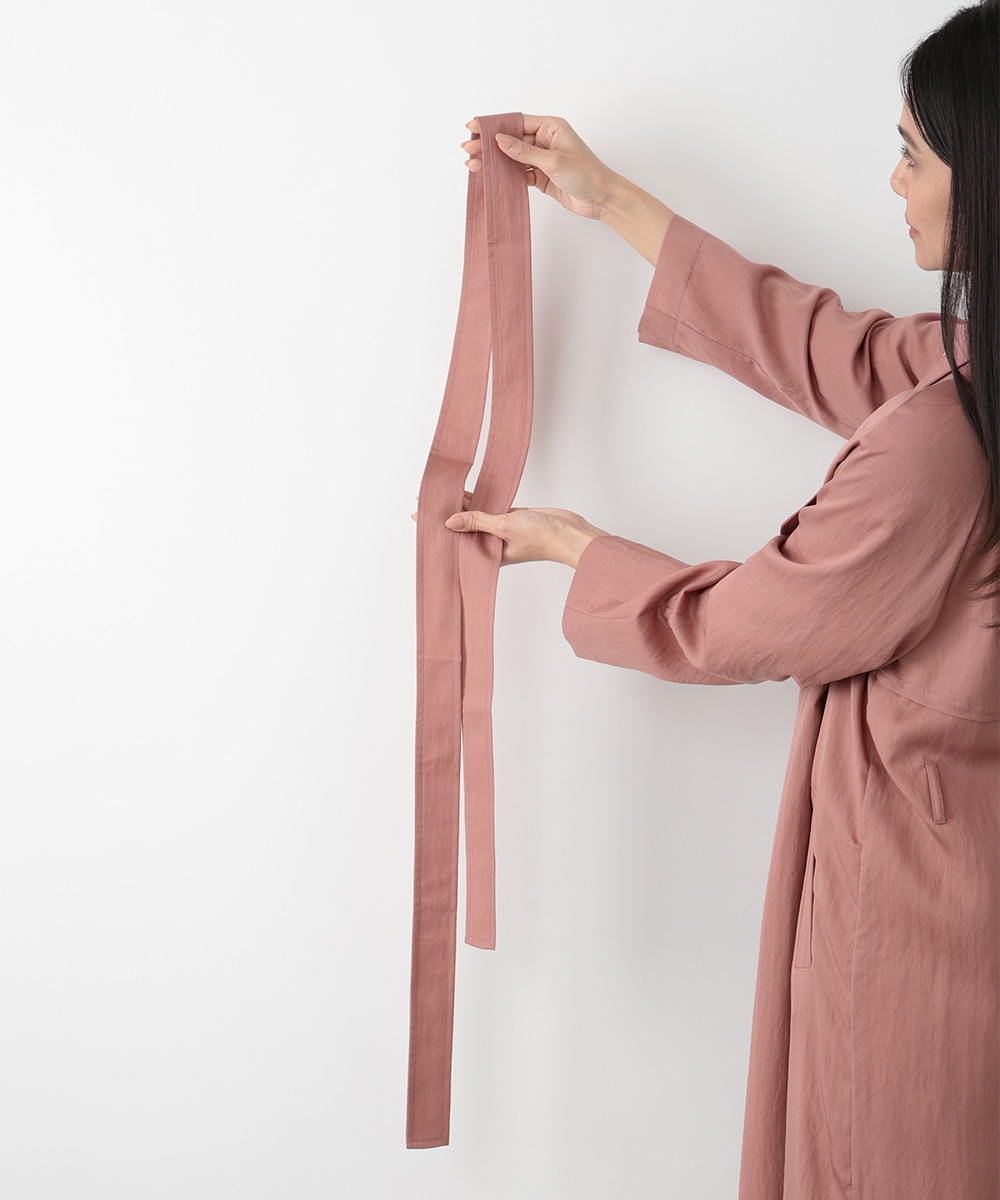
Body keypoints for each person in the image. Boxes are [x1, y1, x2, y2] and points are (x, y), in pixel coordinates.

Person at [442, 2, 999, 1196]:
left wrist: (579, 551)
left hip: (924, 933)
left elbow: (750, 622)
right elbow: (838, 351)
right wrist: (607, 198)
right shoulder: (975, 380)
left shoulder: (950, 437)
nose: (893, 180)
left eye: (913, 153)